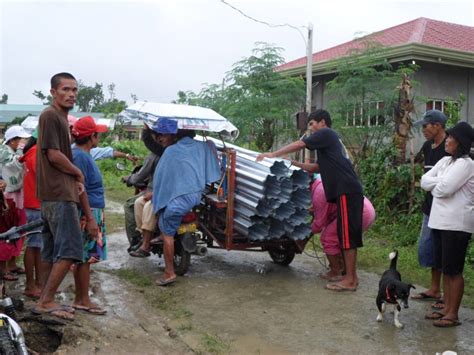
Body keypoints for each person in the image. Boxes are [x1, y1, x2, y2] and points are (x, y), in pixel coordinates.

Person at [257, 109, 364, 292]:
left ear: (322, 122)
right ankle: (349, 277)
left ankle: (350, 280)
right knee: (344, 235)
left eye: (312, 124)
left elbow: (300, 144)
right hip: (346, 191)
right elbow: (318, 167)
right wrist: (294, 164)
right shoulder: (329, 144)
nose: (311, 129)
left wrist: (273, 154)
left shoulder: (326, 134)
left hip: (346, 190)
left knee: (347, 237)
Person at [33, 72, 98, 321]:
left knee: (51, 251)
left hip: (55, 194)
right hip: (59, 195)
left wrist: (74, 180)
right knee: (71, 249)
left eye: (75, 90)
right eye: (65, 89)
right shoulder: (50, 115)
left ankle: (44, 299)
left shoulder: (60, 117)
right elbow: (53, 154)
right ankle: (47, 300)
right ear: (53, 92)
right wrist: (77, 172)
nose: (71, 94)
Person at [151, 118, 221, 286]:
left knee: (167, 234)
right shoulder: (202, 147)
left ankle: (169, 272)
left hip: (177, 201)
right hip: (195, 197)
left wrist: (156, 197)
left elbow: (161, 180)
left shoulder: (171, 151)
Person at [421, 121, 474, 328]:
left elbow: (444, 189)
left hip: (457, 224)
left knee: (454, 270)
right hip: (440, 222)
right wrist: (439, 183)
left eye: (451, 138)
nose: (447, 140)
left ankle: (453, 313)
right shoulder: (445, 162)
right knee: (444, 267)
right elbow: (425, 181)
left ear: (460, 143)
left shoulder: (466, 164)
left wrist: (438, 184)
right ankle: (445, 307)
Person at [70, 116, 108, 315]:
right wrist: (89, 218)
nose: (99, 137)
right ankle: (82, 299)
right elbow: (80, 189)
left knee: (84, 257)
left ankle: (81, 297)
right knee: (85, 257)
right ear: (91, 136)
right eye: (97, 134)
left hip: (90, 210)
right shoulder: (80, 157)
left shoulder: (82, 154)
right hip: (88, 211)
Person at [411, 110, 449, 307]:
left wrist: (430, 182)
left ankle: (447, 294)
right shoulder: (427, 146)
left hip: (447, 209)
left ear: (438, 126)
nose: (423, 130)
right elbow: (426, 178)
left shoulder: (451, 145)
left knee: (445, 249)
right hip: (430, 206)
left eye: (425, 126)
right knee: (428, 247)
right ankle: (434, 289)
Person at [310, 175, 376, 281]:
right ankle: (344, 269)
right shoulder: (322, 184)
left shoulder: (318, 192)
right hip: (366, 210)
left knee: (328, 237)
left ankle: (335, 271)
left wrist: (305, 231)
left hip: (358, 212)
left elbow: (319, 224)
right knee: (342, 240)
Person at [0, 125, 31, 279]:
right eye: (20, 139)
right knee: (6, 231)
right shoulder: (4, 152)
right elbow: (15, 164)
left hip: (17, 194)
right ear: (12, 140)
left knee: (18, 229)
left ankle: (12, 264)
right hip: (7, 195)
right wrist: (21, 151)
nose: (22, 142)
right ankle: (4, 269)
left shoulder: (13, 151)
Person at [19, 130, 44, 298]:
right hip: (37, 204)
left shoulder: (32, 152)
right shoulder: (36, 153)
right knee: (35, 245)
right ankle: (31, 285)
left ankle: (39, 283)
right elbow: (44, 178)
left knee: (37, 246)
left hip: (34, 203)